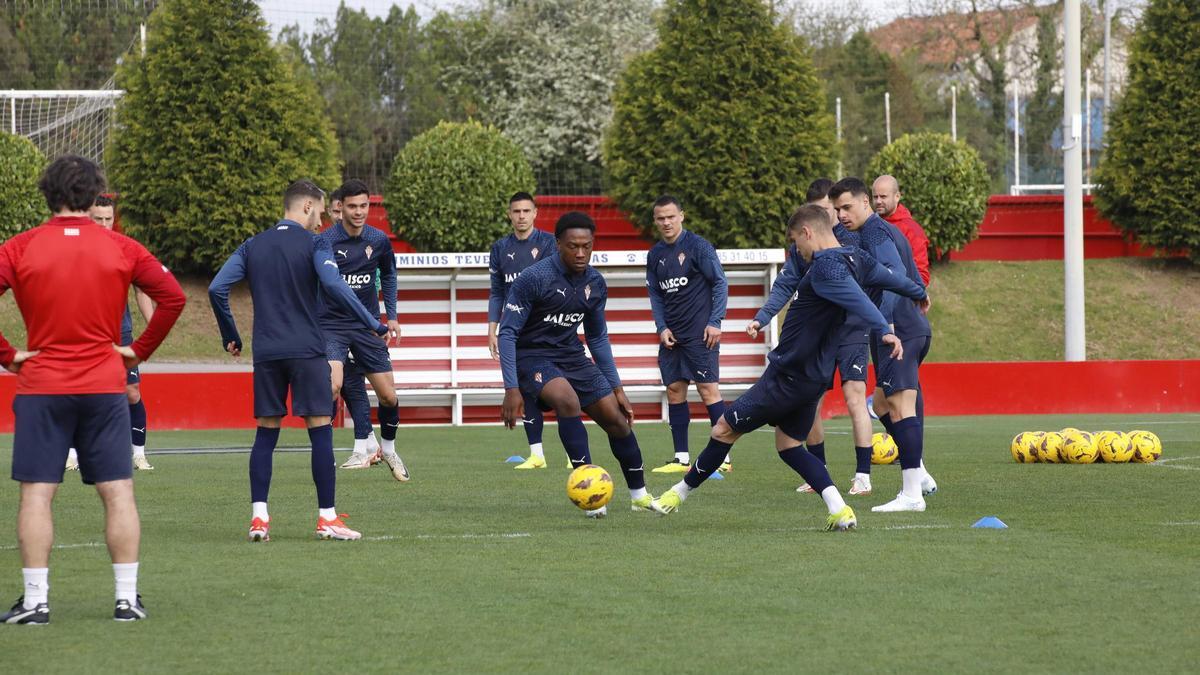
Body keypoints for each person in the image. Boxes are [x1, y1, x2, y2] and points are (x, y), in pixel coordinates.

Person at [650, 204, 929, 529]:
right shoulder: (856, 258)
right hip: (812, 379)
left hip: (787, 376)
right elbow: (892, 278)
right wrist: (919, 292)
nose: (798, 250)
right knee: (788, 445)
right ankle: (839, 509)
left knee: (723, 429)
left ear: (807, 233)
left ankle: (675, 496)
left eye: (797, 242)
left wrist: (883, 329)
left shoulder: (826, 267)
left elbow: (857, 299)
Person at [1, 155, 186, 624]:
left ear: (48, 192)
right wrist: (137, 350)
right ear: (94, 195)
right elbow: (173, 297)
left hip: (43, 387)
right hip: (105, 387)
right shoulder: (121, 247)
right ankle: (127, 600)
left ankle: (37, 602)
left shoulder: (19, 248)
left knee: (37, 495)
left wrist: (8, 355)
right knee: (118, 492)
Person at [209, 179, 389, 542]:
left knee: (266, 434)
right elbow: (337, 286)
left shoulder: (253, 244)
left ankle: (259, 518)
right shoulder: (316, 243)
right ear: (306, 207)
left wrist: (231, 334)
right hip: (308, 350)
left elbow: (217, 288)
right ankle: (327, 519)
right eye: (321, 211)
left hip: (267, 353)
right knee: (320, 431)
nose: (322, 220)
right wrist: (373, 322)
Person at [497, 212, 652, 517]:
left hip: (571, 356)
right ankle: (591, 498)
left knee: (617, 420)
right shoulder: (534, 278)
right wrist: (512, 387)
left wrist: (617, 388)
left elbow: (597, 338)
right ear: (558, 244)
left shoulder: (595, 283)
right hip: (533, 357)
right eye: (572, 246)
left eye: (586, 246)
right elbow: (508, 333)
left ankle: (640, 496)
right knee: (567, 400)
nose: (580, 253)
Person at [748, 179, 878, 496]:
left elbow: (877, 278)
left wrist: (882, 322)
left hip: (851, 330)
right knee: (810, 401)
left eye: (831, 208)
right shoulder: (801, 247)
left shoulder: (854, 238)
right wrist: (761, 318)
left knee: (854, 396)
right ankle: (817, 473)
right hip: (817, 337)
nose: (830, 214)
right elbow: (784, 285)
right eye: (821, 209)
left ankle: (863, 476)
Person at [829, 177, 936, 512]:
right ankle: (919, 474)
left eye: (847, 207)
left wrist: (887, 321)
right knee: (883, 404)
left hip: (898, 332)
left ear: (864, 202)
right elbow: (909, 273)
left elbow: (893, 270)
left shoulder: (875, 231)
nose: (842, 215)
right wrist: (919, 292)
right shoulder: (882, 232)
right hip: (907, 328)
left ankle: (911, 495)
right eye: (836, 210)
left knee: (900, 407)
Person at [320, 180, 408, 481]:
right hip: (332, 326)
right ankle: (325, 455)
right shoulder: (325, 240)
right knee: (332, 386)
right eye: (352, 206)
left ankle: (388, 449)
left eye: (364, 206)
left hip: (368, 327)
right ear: (340, 208)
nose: (358, 212)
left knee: (389, 397)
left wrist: (392, 316)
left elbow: (390, 276)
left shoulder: (379, 240)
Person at [66, 195, 158, 473]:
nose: (104, 224)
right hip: (81, 332)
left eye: (109, 219)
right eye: (98, 219)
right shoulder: (73, 249)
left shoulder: (126, 250)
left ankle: (138, 454)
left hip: (120, 333)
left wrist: (154, 328)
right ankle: (72, 454)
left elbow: (142, 290)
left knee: (131, 392)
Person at [644, 195, 730, 474]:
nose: (666, 222)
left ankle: (723, 458)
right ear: (656, 220)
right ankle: (681, 458)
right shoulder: (655, 254)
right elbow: (655, 294)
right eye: (661, 218)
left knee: (708, 390)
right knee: (674, 390)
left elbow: (719, 282)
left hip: (700, 332)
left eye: (671, 216)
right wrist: (661, 327)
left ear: (682, 215)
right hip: (672, 335)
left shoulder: (698, 247)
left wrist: (715, 321)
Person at [487, 192, 558, 469]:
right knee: (525, 389)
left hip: (547, 329)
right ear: (509, 214)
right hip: (515, 330)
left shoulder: (549, 243)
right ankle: (536, 455)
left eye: (526, 211)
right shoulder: (499, 248)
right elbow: (497, 293)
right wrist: (492, 329)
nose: (521, 216)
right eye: (516, 211)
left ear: (535, 213)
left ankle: (570, 454)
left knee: (562, 390)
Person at [325, 187, 383, 465]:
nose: (346, 215)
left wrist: (376, 319)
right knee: (344, 384)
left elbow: (376, 281)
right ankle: (368, 442)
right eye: (339, 210)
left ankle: (364, 446)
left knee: (352, 384)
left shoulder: (369, 245)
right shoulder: (326, 244)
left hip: (361, 327)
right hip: (333, 326)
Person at [873, 175, 931, 286]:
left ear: (897, 196)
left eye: (883, 196)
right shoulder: (869, 225)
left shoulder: (912, 230)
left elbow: (921, 277)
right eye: (875, 197)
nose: (878, 201)